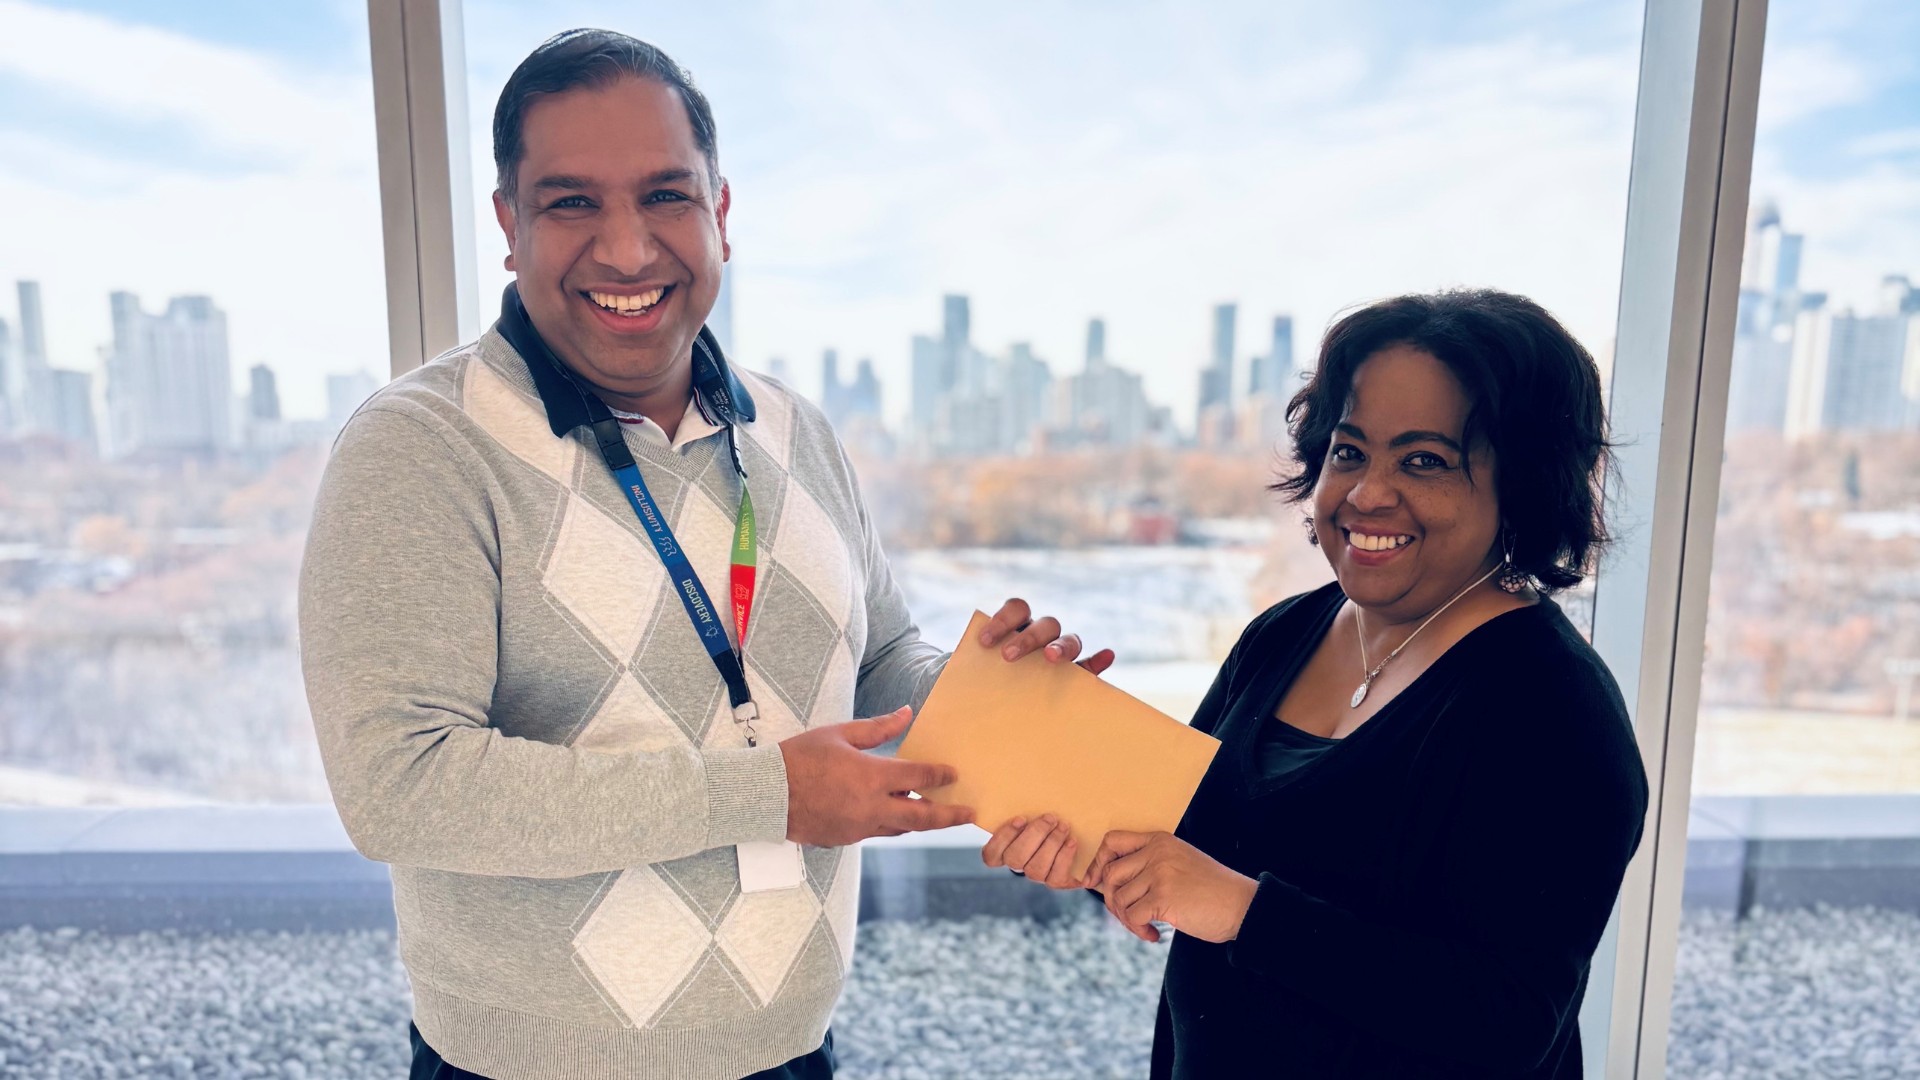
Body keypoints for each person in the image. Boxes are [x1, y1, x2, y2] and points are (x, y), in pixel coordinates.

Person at [300, 29, 1110, 1080]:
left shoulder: (795, 429)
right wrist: (765, 795)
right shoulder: (422, 446)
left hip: (790, 1049)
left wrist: (1005, 708)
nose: (629, 251)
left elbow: (877, 660)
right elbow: (400, 786)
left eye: (666, 197)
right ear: (509, 224)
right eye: (571, 202)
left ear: (720, 210)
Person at [986, 290, 1650, 1078]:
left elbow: (1507, 1021)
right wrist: (1043, 750)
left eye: (1425, 460)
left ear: (1524, 484)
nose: (1367, 493)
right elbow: (1179, 852)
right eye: (1349, 451)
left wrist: (1242, 911)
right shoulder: (1286, 632)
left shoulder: (1551, 709)